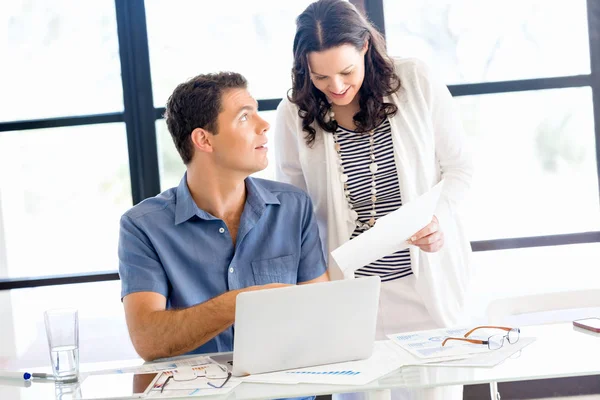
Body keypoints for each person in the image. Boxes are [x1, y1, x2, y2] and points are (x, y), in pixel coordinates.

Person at [274, 0, 473, 398]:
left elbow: (460, 169)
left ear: (365, 46)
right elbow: (294, 213)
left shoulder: (414, 79)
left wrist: (436, 220)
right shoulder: (292, 114)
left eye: (346, 71)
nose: (336, 86)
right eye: (321, 76)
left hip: (424, 292)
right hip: (351, 303)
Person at [118, 72, 328, 362]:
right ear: (204, 139)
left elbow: (323, 318)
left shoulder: (294, 207)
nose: (264, 125)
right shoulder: (142, 226)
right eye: (244, 117)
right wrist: (240, 304)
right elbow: (148, 340)